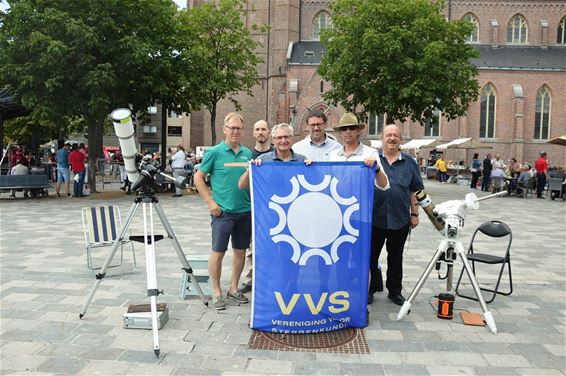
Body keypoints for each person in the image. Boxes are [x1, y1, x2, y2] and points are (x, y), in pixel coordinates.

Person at [194, 112, 252, 310]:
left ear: (243, 131)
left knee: (240, 252)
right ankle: (217, 291)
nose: (235, 131)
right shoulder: (214, 152)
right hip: (222, 213)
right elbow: (198, 177)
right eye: (232, 127)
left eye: (238, 128)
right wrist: (210, 201)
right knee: (218, 253)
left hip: (245, 212)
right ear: (224, 129)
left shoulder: (248, 154)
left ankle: (233, 288)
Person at [369, 124, 424, 306]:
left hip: (400, 218)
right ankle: (369, 289)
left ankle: (395, 291)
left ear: (400, 139)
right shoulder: (371, 159)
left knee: (396, 257)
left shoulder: (410, 162)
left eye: (395, 135)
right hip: (374, 217)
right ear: (382, 139)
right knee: (370, 256)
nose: (392, 138)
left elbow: (415, 190)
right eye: (388, 135)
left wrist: (414, 213)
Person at [238, 120, 275, 294]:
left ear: (269, 133)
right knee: (252, 246)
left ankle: (273, 278)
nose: (260, 132)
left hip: (273, 207)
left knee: (273, 244)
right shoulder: (248, 154)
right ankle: (251, 279)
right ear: (253, 133)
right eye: (257, 129)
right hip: (252, 206)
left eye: (264, 129)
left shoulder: (277, 153)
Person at [328, 112, 390, 189]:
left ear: (358, 131)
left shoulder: (370, 153)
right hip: (338, 199)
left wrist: (376, 168)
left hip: (361, 200)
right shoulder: (333, 155)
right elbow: (326, 180)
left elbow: (384, 185)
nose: (348, 131)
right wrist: (310, 166)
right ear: (340, 133)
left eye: (352, 128)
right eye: (344, 129)